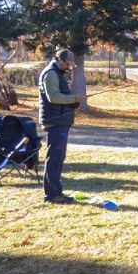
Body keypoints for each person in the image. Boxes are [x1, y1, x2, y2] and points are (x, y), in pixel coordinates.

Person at [38, 49, 85, 203]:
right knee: (54, 158)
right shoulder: (50, 73)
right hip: (55, 121)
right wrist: (74, 98)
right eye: (67, 64)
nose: (68, 67)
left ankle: (57, 191)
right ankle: (51, 194)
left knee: (59, 157)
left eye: (70, 65)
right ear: (59, 60)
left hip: (61, 120)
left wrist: (74, 102)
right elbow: (53, 97)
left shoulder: (57, 73)